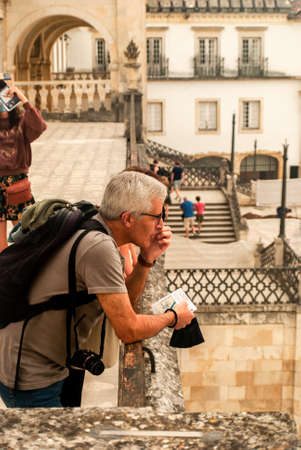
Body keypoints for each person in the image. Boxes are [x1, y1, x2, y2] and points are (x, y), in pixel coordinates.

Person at [0, 170, 194, 408]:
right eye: (157, 216)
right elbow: (128, 329)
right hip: (31, 376)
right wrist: (173, 317)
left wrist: (146, 260)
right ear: (128, 219)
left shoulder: (92, 223)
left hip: (29, 362)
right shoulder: (99, 247)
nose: (161, 225)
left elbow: (123, 305)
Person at [0, 84, 47, 252]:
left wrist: (23, 99)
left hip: (17, 184)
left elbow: (40, 126)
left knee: (25, 238)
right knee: (0, 245)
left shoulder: (21, 121)